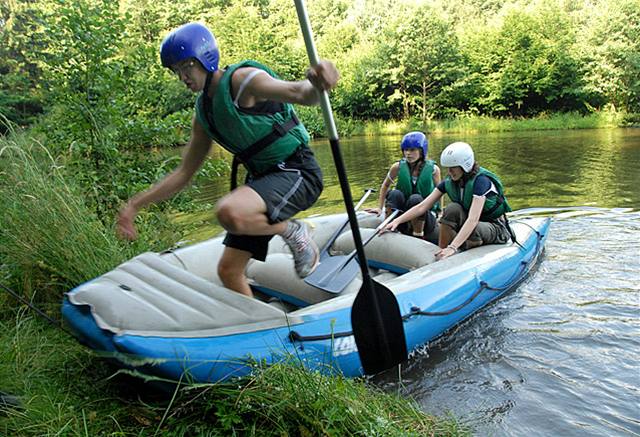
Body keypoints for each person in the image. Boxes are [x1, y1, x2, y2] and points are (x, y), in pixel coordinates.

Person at [116, 22, 339, 298]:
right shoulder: (204, 115)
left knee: (229, 211)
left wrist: (317, 83)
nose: (183, 77)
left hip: (297, 172)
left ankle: (293, 231)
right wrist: (134, 205)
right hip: (264, 180)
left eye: (187, 66)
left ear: (205, 58)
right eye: (176, 70)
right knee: (229, 271)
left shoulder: (243, 80)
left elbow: (298, 93)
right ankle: (258, 327)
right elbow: (184, 173)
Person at [384, 141, 512, 261]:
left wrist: (453, 247)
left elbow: (473, 219)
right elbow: (422, 206)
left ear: (465, 165)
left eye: (453, 168)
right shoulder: (450, 182)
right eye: (448, 168)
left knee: (474, 228)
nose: (449, 172)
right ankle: (441, 252)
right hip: (470, 223)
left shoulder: (481, 182)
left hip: (495, 227)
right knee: (452, 208)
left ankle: (464, 252)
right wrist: (396, 221)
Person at [366, 131, 441, 244]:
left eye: (412, 150)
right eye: (405, 150)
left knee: (415, 199)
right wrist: (379, 208)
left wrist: (440, 213)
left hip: (425, 215)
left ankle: (418, 236)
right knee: (395, 194)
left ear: (421, 151)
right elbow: (385, 185)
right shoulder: (397, 167)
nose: (408, 153)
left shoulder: (434, 170)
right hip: (403, 215)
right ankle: (390, 228)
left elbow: (440, 191)